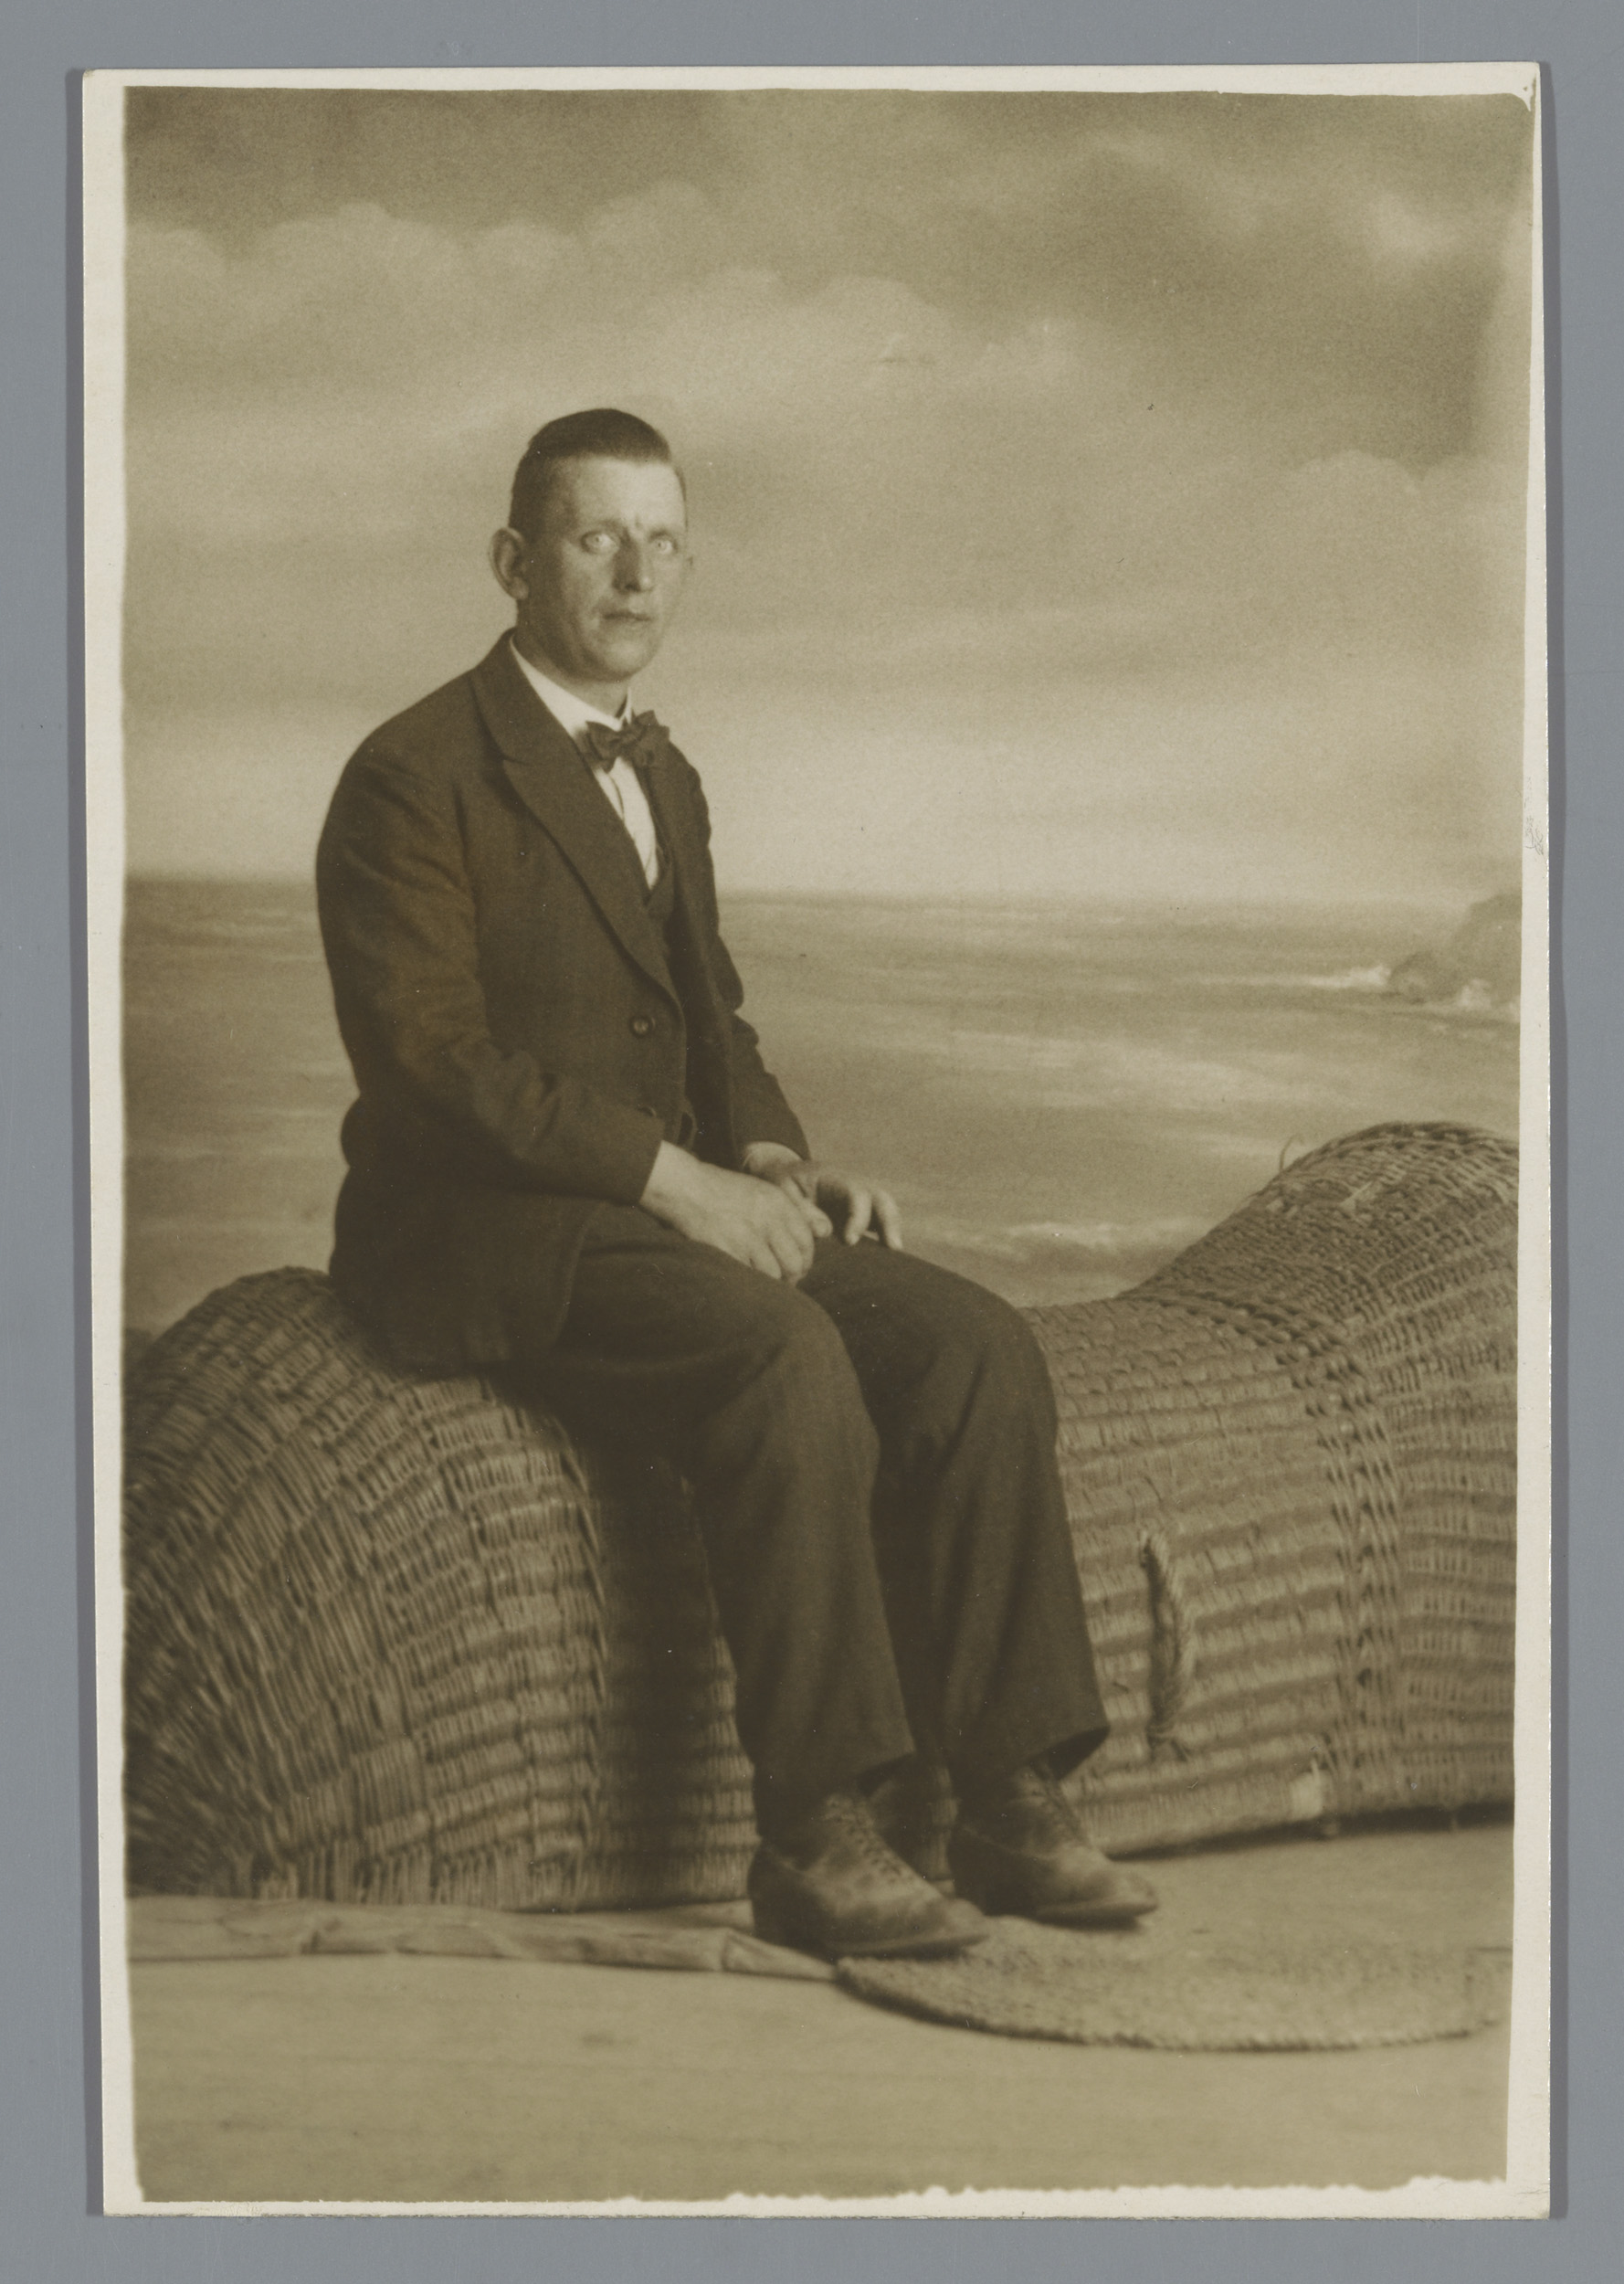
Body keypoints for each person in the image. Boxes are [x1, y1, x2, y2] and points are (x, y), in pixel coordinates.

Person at [316, 407, 1156, 1960]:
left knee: (971, 1344)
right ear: (513, 562)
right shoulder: (409, 774)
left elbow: (713, 1019)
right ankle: (815, 1838)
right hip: (484, 1231)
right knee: (782, 1354)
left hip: (662, 1202)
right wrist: (677, 1185)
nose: (637, 575)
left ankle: (1006, 1797)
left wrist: (767, 1155)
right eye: (597, 538)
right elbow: (431, 1065)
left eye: (664, 542)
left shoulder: (666, 772)